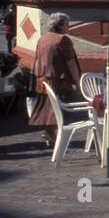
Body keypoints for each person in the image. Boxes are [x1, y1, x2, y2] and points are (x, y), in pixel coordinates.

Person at [29, 13, 83, 147]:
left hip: (42, 79)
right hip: (58, 80)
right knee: (58, 109)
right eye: (66, 24)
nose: (68, 26)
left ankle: (50, 134)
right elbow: (70, 63)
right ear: (59, 25)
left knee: (48, 108)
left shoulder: (42, 38)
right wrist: (78, 82)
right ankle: (57, 136)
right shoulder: (63, 40)